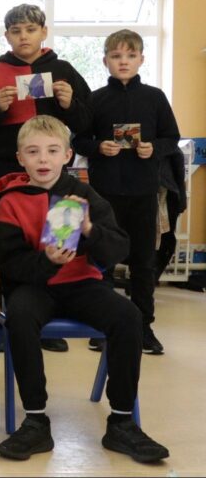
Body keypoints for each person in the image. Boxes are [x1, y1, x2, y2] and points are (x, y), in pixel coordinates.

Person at [0, 115, 168, 463]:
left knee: (128, 316)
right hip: (35, 286)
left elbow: (120, 248)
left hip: (83, 284)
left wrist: (90, 230)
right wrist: (48, 261)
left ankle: (121, 422)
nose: (43, 159)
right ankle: (35, 420)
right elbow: (10, 264)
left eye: (52, 151)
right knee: (21, 317)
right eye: (33, 152)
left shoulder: (86, 195)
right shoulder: (10, 201)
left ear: (67, 155)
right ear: (20, 158)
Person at [0, 3, 93, 353]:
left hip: (54, 172)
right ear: (6, 36)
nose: (23, 36)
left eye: (29, 29)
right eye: (15, 31)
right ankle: (12, 311)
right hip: (10, 168)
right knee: (13, 244)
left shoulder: (63, 69)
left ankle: (49, 316)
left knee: (58, 238)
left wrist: (69, 104)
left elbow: (86, 124)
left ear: (44, 32)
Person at [72, 29, 180, 355]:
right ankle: (103, 325)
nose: (123, 62)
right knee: (102, 258)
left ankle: (144, 326)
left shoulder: (155, 97)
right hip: (105, 194)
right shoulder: (95, 99)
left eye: (130, 56)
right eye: (116, 56)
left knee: (143, 262)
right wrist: (98, 146)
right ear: (105, 60)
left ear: (141, 59)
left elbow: (171, 137)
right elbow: (78, 140)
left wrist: (153, 148)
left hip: (144, 192)